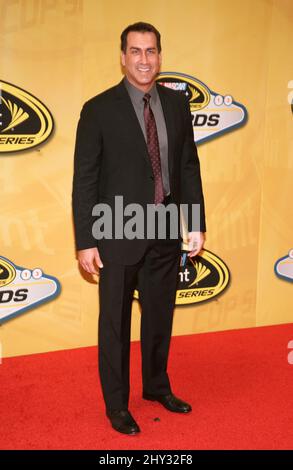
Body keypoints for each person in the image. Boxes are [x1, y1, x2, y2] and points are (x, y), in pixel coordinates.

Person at [72, 22, 206, 435]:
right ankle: (116, 405)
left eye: (151, 51)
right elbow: (85, 179)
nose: (144, 59)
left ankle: (156, 386)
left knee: (160, 315)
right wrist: (85, 239)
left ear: (160, 56)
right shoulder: (97, 109)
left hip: (165, 225)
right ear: (123, 56)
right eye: (135, 51)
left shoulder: (177, 105)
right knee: (114, 321)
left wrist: (195, 222)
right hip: (117, 229)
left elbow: (187, 167)